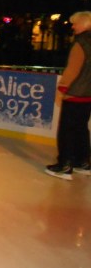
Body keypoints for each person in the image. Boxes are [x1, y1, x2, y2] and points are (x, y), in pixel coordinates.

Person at [45, 11, 91, 180]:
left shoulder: (80, 44)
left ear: (84, 24)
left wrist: (62, 89)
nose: (72, 26)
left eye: (75, 23)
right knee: (81, 128)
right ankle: (83, 162)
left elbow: (72, 69)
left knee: (67, 130)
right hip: (88, 95)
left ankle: (65, 164)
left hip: (75, 93)